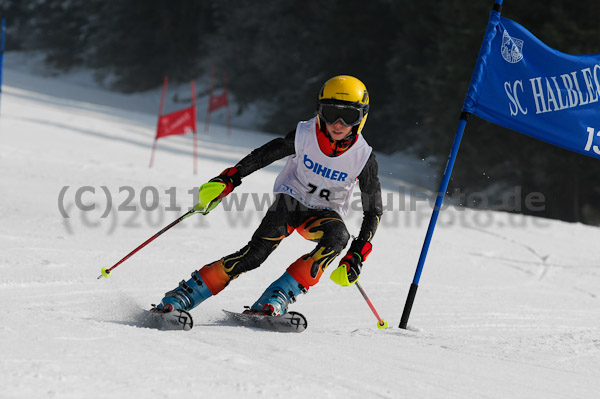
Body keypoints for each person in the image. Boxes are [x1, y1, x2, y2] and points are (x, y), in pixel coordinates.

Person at [153, 75, 383, 317]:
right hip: (290, 202)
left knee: (338, 236)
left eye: (348, 116)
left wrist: (357, 253)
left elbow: (373, 210)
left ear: (362, 118)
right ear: (319, 111)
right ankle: (184, 295)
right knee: (254, 256)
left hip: (323, 214)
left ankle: (277, 296)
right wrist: (229, 178)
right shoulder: (305, 135)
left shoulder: (363, 158)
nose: (337, 123)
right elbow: (265, 155)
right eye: (330, 112)